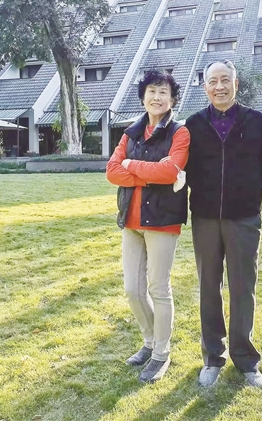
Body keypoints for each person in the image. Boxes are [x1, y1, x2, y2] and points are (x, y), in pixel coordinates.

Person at [185, 59, 262, 388]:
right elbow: (188, 168)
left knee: (243, 288)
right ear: (205, 87)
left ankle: (246, 359)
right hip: (205, 218)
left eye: (225, 80)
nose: (219, 86)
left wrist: (244, 195)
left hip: (244, 218)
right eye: (213, 81)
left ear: (236, 84)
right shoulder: (193, 124)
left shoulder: (255, 121)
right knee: (209, 287)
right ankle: (213, 356)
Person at [106, 69, 190, 384]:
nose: (157, 97)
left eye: (163, 92)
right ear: (143, 96)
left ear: (172, 99)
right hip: (131, 220)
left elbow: (171, 172)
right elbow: (112, 171)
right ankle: (149, 340)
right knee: (133, 289)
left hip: (163, 220)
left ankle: (161, 353)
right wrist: (148, 172)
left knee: (158, 288)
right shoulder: (130, 133)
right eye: (152, 91)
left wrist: (131, 165)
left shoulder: (180, 133)